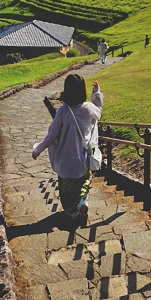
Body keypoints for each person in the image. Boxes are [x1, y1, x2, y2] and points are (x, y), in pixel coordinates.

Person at [32, 74, 103, 221]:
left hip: (65, 160)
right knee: (84, 182)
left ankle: (72, 212)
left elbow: (52, 135)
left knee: (66, 191)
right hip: (83, 159)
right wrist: (96, 92)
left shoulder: (63, 112)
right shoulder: (89, 109)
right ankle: (83, 200)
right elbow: (98, 110)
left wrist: (37, 149)